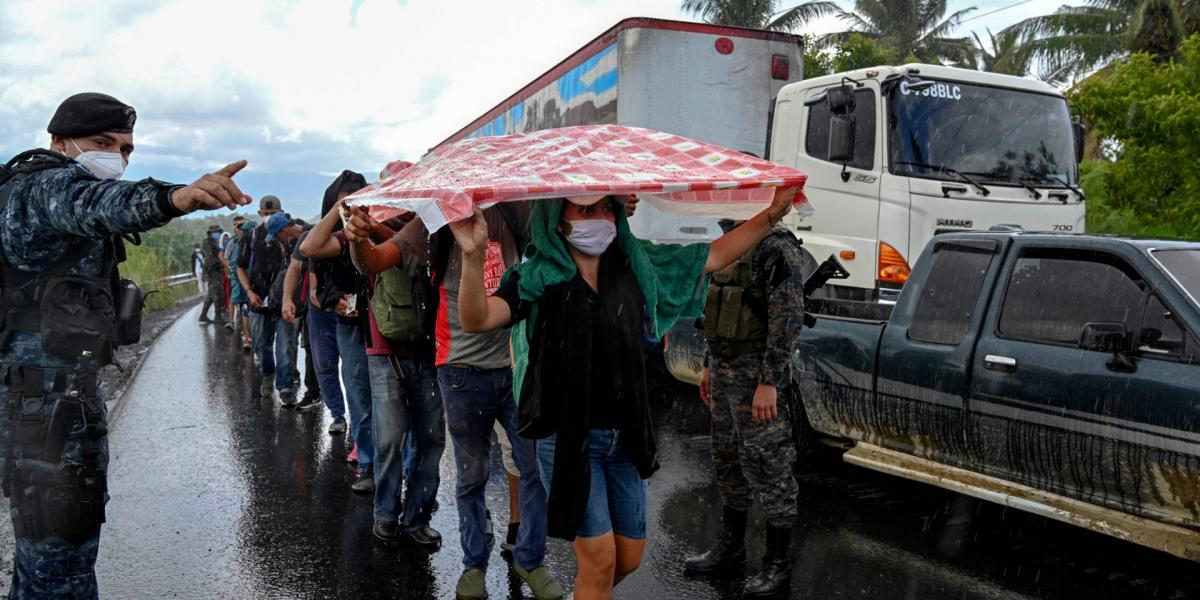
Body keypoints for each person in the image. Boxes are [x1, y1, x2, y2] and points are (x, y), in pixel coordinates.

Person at [451, 187, 797, 600]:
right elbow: (477, 318)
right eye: (584, 210)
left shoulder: (637, 264)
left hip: (627, 438)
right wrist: (472, 255)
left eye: (606, 208)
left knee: (627, 559)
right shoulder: (537, 276)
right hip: (568, 441)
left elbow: (715, 255)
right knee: (598, 561)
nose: (599, 219)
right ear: (556, 220)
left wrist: (771, 215)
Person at [0, 92, 250, 598]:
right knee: (58, 565)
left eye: (127, 149)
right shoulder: (40, 190)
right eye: (102, 143)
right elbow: (95, 203)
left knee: (49, 558)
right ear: (59, 142)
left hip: (54, 401)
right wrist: (176, 198)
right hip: (43, 412)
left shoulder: (53, 191)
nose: (117, 157)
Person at [345, 202, 563, 600]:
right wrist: (358, 242)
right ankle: (473, 565)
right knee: (471, 475)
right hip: (460, 369)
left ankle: (530, 559)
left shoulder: (516, 212)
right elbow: (374, 261)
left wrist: (616, 204)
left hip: (515, 364)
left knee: (534, 469)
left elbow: (563, 234)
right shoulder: (433, 222)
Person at [302, 181, 446, 544]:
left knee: (429, 442)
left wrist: (376, 228)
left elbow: (414, 253)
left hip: (429, 351)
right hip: (383, 351)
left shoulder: (431, 229)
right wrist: (343, 212)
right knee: (391, 439)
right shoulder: (362, 230)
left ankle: (416, 517)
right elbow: (311, 247)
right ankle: (386, 513)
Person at [683, 218, 806, 596]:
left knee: (770, 465)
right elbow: (714, 311)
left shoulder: (775, 246)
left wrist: (769, 381)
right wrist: (707, 364)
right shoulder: (730, 240)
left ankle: (778, 563)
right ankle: (731, 548)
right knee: (727, 460)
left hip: (756, 377)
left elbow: (787, 319)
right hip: (723, 372)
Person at [293, 171, 376, 491]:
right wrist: (334, 301)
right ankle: (366, 457)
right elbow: (313, 272)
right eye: (347, 199)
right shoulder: (336, 239)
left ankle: (388, 462)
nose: (354, 208)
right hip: (346, 321)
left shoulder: (375, 230)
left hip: (381, 323)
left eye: (360, 198)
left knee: (383, 398)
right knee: (356, 390)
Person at [236, 204, 302, 405]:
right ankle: (267, 375)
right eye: (266, 214)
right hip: (258, 303)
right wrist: (249, 291)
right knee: (262, 345)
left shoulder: (295, 239)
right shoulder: (252, 237)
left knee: (285, 346)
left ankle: (285, 388)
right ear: (260, 214)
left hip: (284, 304)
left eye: (273, 214)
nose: (269, 217)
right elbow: (240, 267)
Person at [226, 218, 256, 351]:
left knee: (249, 311)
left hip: (255, 283)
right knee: (246, 310)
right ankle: (248, 337)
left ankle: (251, 338)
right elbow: (233, 263)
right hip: (244, 282)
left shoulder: (260, 244)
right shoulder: (235, 243)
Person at [199, 224, 228, 324]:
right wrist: (222, 263)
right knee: (217, 293)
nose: (217, 234)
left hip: (216, 270)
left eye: (218, 232)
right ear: (210, 234)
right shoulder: (207, 242)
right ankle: (217, 315)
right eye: (215, 233)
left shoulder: (216, 242)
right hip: (211, 271)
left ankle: (203, 315)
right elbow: (210, 258)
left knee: (212, 294)